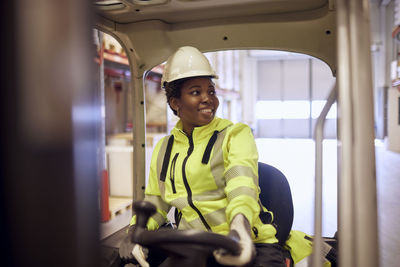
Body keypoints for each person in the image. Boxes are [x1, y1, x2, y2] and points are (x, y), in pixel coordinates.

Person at [119, 46, 287, 267]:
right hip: (193, 246)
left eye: (211, 91)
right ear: (175, 102)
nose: (208, 99)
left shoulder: (235, 135)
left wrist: (239, 226)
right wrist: (134, 232)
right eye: (196, 92)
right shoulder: (164, 148)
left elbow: (242, 185)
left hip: (248, 242)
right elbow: (156, 202)